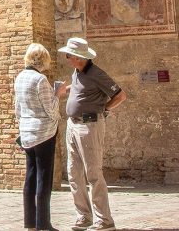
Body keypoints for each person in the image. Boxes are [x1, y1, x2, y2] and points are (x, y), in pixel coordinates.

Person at [59, 37, 126, 231]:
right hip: (73, 126)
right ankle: (84, 217)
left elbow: (120, 96)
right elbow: (80, 88)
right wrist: (66, 89)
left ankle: (105, 220)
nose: (67, 58)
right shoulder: (77, 72)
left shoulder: (97, 74)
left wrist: (104, 109)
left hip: (89, 126)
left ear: (79, 57)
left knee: (93, 173)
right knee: (74, 173)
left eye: (69, 55)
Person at [15, 43, 67, 231]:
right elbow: (51, 110)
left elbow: (18, 109)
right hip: (43, 133)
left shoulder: (19, 78)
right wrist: (58, 94)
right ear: (43, 59)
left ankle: (30, 223)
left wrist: (23, 127)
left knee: (30, 177)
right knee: (44, 179)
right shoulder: (40, 80)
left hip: (27, 133)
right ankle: (43, 224)